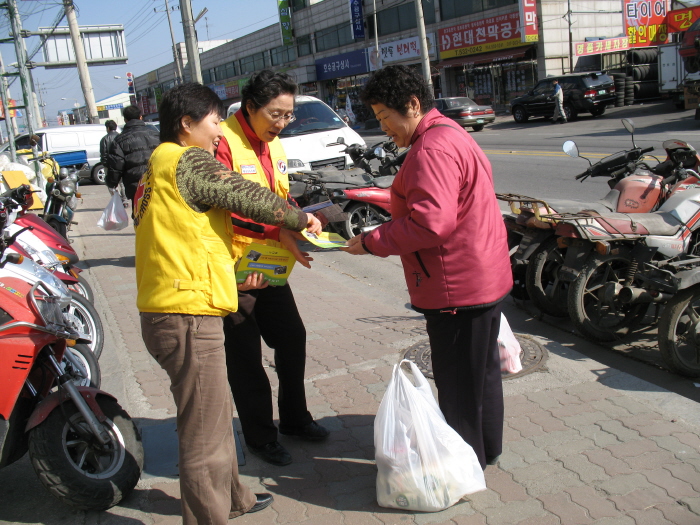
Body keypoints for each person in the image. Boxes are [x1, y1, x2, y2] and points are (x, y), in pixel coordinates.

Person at [134, 82, 322, 524]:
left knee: (213, 422)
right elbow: (244, 194)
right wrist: (299, 218)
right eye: (213, 121)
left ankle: (232, 497)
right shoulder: (183, 160)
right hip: (184, 311)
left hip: (180, 306)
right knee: (202, 433)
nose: (219, 131)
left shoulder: (159, 167)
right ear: (186, 124)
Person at [342, 65, 513, 471]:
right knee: (481, 377)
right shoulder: (450, 134)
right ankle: (486, 451)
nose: (384, 127)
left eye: (385, 117)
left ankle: (461, 469)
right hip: (480, 276)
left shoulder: (431, 149)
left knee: (457, 387)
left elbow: (432, 223)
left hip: (456, 286)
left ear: (413, 105)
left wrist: (371, 242)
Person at [215, 69, 329, 467]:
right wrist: (283, 228)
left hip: (271, 265)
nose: (281, 124)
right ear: (250, 108)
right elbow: (226, 208)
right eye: (275, 114)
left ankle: (295, 420)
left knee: (292, 338)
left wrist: (300, 222)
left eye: (287, 115)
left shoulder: (274, 145)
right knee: (245, 359)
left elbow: (279, 198)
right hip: (235, 269)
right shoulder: (222, 142)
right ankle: (261, 437)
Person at [107, 105, 160, 210]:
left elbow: (115, 168)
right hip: (158, 184)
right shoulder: (157, 135)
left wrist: (111, 182)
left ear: (125, 119)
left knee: (141, 219)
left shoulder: (119, 141)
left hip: (137, 190)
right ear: (141, 117)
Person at [99, 120, 128, 207]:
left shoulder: (104, 139)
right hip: (122, 163)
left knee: (111, 184)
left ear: (108, 128)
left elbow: (103, 154)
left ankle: (117, 200)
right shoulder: (122, 137)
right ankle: (125, 200)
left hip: (110, 165)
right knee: (122, 183)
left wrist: (105, 164)